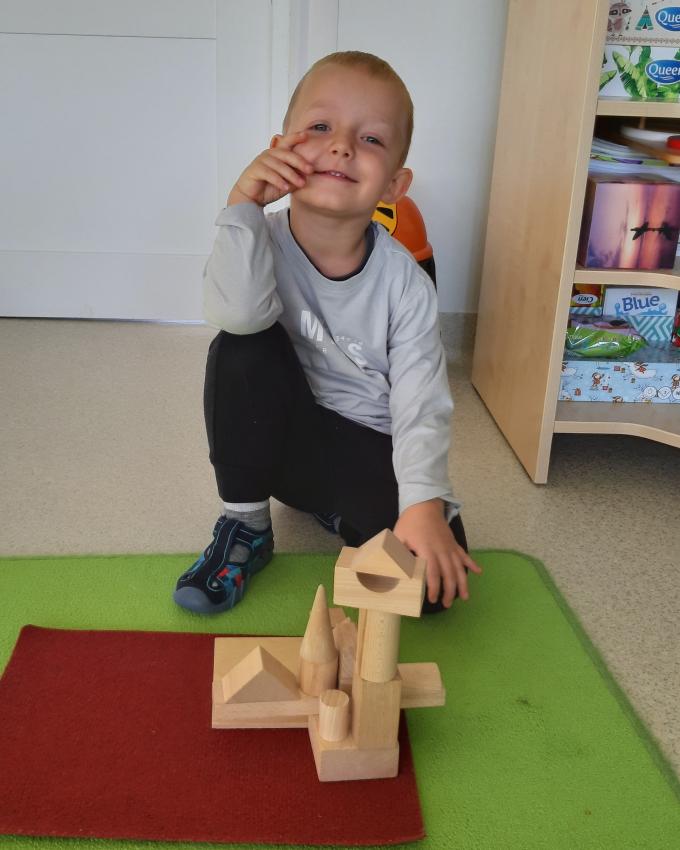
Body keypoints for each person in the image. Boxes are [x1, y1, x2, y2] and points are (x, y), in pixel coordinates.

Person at [174, 51, 481, 616]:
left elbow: (421, 405)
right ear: (279, 149)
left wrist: (422, 504)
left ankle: (338, 508)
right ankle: (246, 526)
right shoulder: (256, 238)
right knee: (240, 346)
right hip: (275, 442)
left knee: (430, 591)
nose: (341, 146)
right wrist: (242, 205)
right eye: (320, 127)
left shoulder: (406, 285)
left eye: (371, 138)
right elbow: (236, 315)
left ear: (394, 184)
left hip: (363, 445)